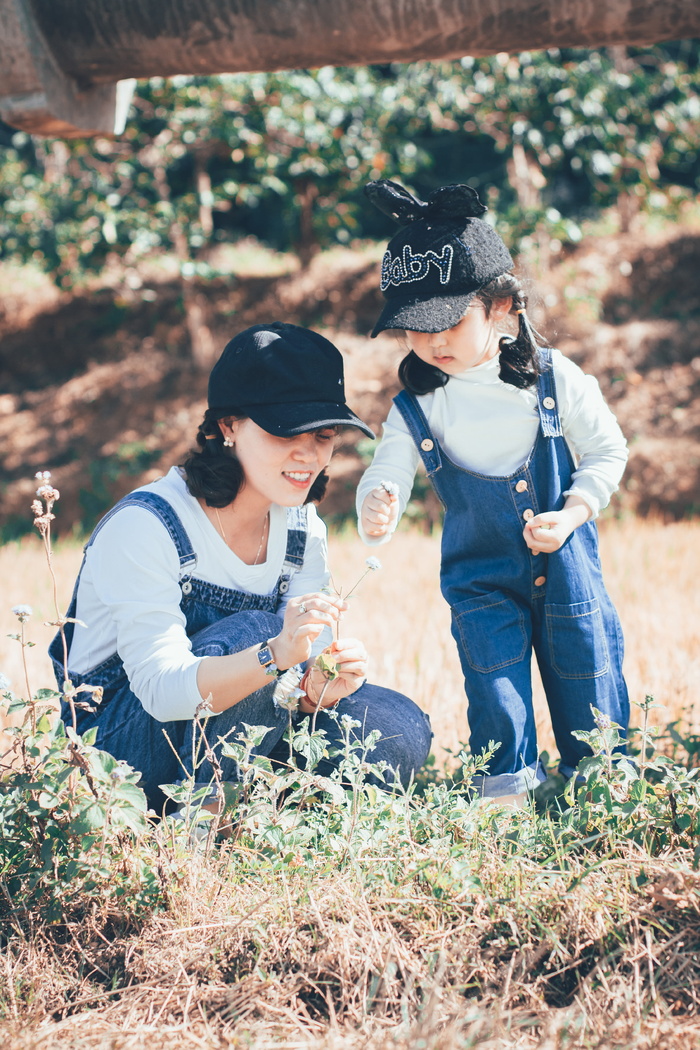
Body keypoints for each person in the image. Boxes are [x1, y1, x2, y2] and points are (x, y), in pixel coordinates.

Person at [50, 321, 432, 816]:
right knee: (256, 630)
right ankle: (204, 824)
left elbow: (301, 665)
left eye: (322, 435)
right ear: (227, 426)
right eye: (283, 431)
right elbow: (163, 693)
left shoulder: (301, 529)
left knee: (396, 725)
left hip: (242, 728)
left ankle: (262, 812)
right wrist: (275, 655)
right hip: (119, 747)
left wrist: (317, 686)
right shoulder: (147, 525)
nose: (307, 453)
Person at [357, 179, 629, 806]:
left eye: (447, 321)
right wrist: (378, 504)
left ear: (502, 305)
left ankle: (604, 785)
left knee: (587, 678)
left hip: (567, 570)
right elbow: (389, 469)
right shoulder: (419, 404)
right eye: (414, 327)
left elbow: (608, 451)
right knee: (495, 691)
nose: (432, 341)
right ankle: (507, 795)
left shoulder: (556, 380)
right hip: (479, 582)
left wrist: (573, 513)